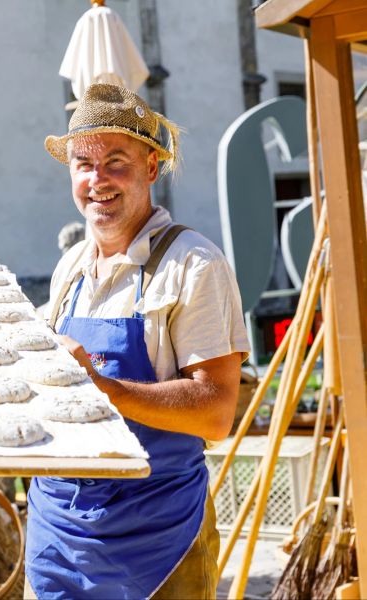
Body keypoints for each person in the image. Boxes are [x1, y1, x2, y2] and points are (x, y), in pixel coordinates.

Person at [24, 83, 250, 599]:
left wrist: (103, 388)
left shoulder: (194, 265)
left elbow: (215, 412)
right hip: (58, 535)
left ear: (152, 167)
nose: (97, 180)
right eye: (83, 163)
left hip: (154, 546)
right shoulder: (70, 268)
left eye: (116, 162)